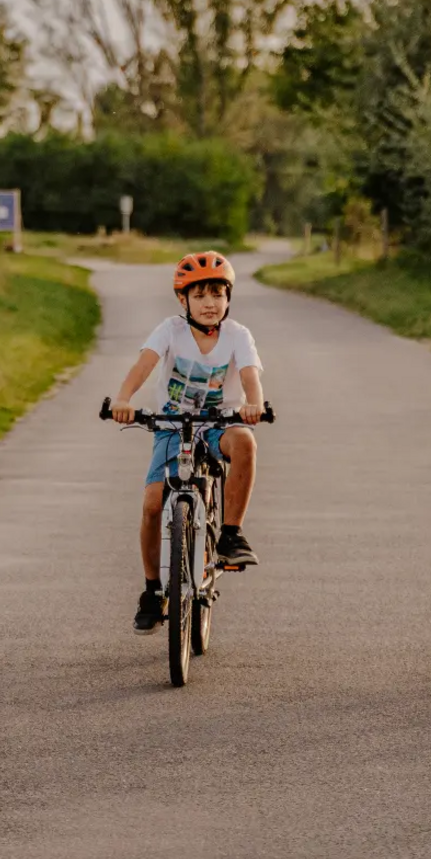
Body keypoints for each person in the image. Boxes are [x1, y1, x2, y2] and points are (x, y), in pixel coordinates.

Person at [109, 252, 265, 634]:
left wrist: (254, 404)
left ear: (228, 299)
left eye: (217, 294)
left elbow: (249, 377)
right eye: (199, 296)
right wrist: (124, 399)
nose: (209, 303)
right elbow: (143, 366)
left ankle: (230, 533)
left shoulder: (238, 336)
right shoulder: (170, 331)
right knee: (150, 505)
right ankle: (152, 590)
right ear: (184, 301)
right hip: (172, 424)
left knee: (245, 442)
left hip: (218, 424)